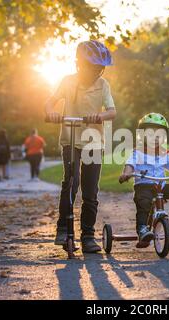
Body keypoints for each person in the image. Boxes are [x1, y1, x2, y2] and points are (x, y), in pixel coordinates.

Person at [45, 40, 116, 253]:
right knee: (71, 182)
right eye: (91, 66)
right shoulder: (68, 81)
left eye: (98, 68)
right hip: (71, 139)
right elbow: (50, 101)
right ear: (79, 64)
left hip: (94, 141)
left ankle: (87, 236)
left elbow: (112, 111)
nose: (95, 71)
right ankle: (63, 229)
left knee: (90, 190)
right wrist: (52, 112)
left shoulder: (103, 85)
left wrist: (99, 115)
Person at [119, 113, 169, 244]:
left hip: (161, 187)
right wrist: (126, 174)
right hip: (144, 186)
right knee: (144, 202)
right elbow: (130, 165)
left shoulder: (163, 154)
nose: (154, 138)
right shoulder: (137, 152)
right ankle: (143, 228)